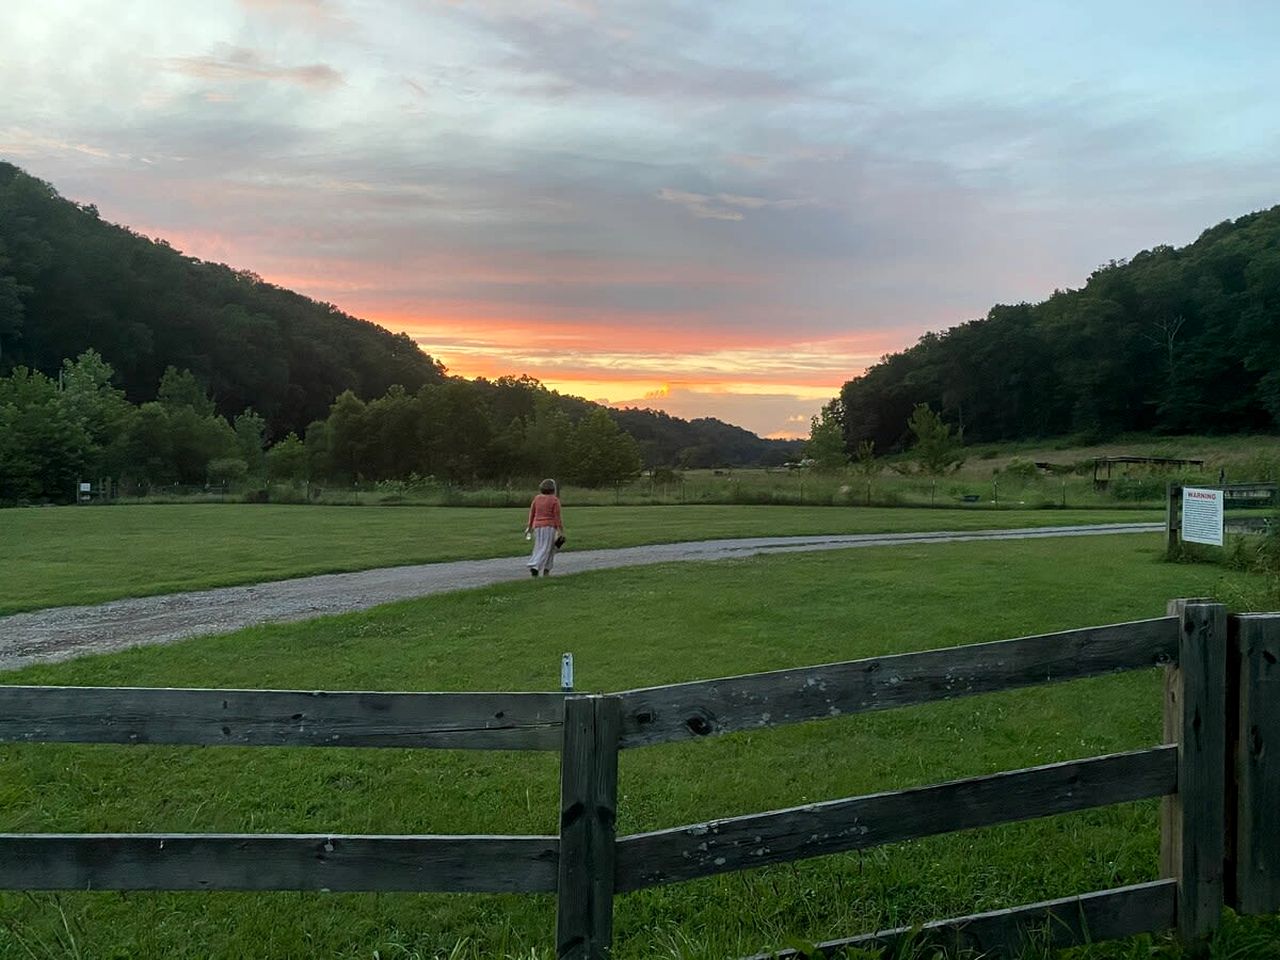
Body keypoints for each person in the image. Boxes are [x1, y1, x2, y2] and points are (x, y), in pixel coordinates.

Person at [525, 478, 564, 577]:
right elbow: (557, 516)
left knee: (540, 547)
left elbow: (532, 513)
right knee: (547, 548)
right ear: (553, 489)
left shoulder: (537, 499)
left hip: (537, 527)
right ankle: (535, 565)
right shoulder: (554, 500)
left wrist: (529, 527)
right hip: (550, 527)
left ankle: (546, 570)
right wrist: (560, 530)